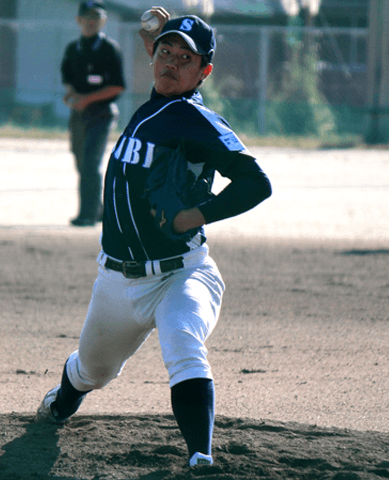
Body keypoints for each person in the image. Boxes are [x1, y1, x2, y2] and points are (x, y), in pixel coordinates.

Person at [37, 7, 272, 468]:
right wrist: (159, 36)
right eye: (165, 53)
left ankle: (200, 455)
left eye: (186, 59)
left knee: (183, 343)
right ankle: (61, 403)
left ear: (204, 71)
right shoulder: (157, 100)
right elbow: (164, 63)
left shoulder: (194, 119)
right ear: (153, 56)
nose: (171, 63)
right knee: (92, 371)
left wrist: (195, 215)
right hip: (117, 283)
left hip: (182, 274)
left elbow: (256, 183)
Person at [61, 0, 126, 227]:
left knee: (91, 162)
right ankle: (97, 209)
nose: (91, 22)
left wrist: (87, 99)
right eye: (87, 17)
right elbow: (69, 82)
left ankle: (86, 215)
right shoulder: (73, 49)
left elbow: (117, 87)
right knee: (81, 163)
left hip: (102, 114)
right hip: (78, 115)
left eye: (96, 18)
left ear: (103, 21)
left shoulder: (109, 50)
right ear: (79, 20)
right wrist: (71, 96)